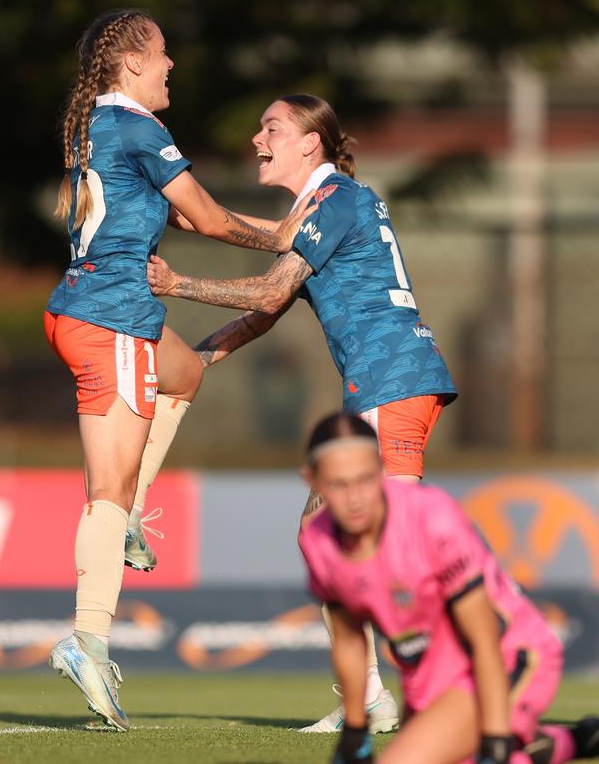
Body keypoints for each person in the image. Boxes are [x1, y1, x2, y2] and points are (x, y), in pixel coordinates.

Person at [147, 93, 458, 732]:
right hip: (385, 383)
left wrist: (176, 283)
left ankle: (451, 672)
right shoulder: (321, 207)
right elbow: (266, 311)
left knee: (373, 545)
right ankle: (376, 697)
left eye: (272, 128)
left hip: (391, 380)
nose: (258, 138)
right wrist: (201, 358)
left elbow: (268, 287)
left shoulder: (337, 198)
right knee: (331, 534)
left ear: (310, 142)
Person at [43, 9, 311, 731]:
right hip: (114, 317)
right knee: (107, 487)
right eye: (162, 53)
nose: (172, 66)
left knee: (186, 372)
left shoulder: (94, 121)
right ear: (130, 61)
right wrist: (287, 236)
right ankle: (89, 637)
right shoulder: (136, 126)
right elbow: (208, 218)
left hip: (83, 308)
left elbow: (181, 220)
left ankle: (127, 517)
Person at [297, 412, 599, 764]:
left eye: (364, 480)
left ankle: (518, 744)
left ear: (380, 468)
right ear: (313, 481)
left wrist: (494, 740)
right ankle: (555, 744)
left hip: (511, 655)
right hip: (431, 676)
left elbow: (486, 639)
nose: (355, 498)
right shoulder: (319, 541)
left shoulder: (432, 520)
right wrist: (355, 732)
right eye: (339, 485)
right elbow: (348, 639)